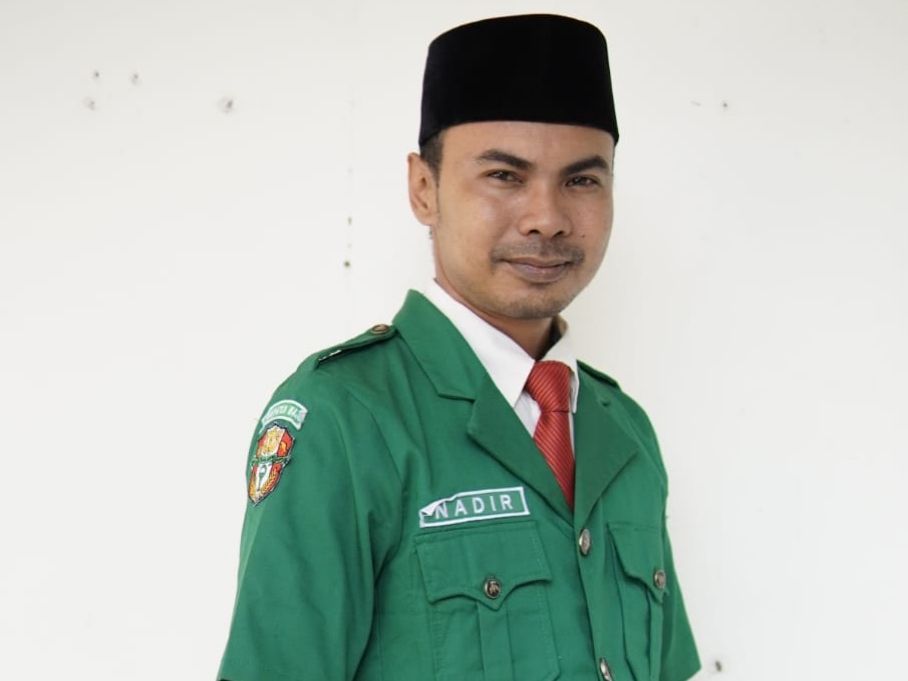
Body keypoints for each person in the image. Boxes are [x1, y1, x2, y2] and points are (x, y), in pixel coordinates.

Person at [218, 13, 700, 681]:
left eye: (582, 180)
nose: (547, 218)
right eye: (505, 175)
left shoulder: (625, 431)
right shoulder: (345, 418)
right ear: (425, 188)